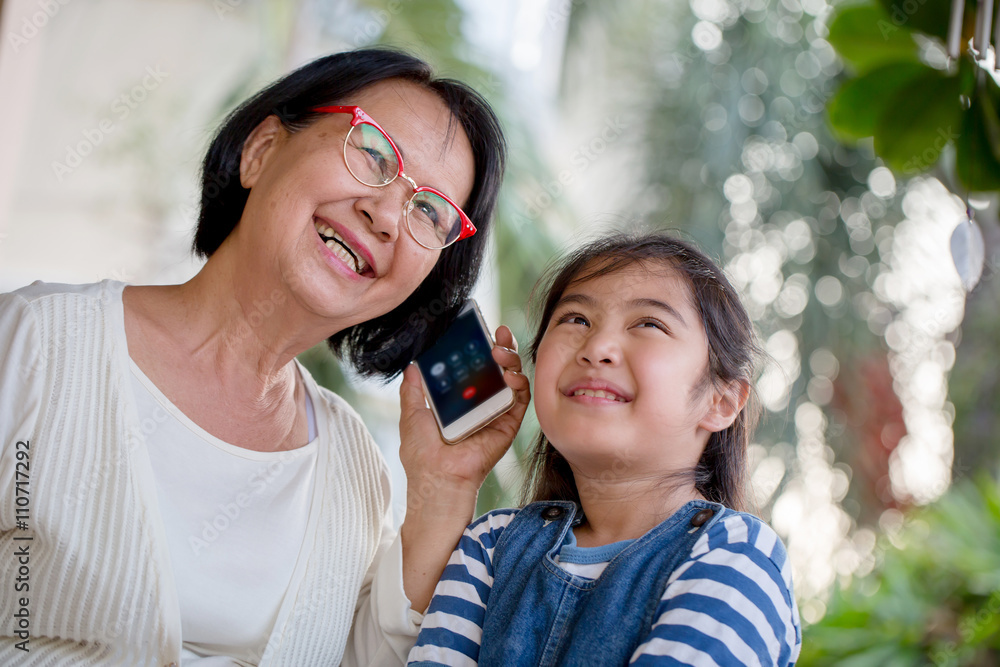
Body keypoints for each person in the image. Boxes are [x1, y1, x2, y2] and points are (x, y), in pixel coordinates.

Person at [0, 48, 531, 666]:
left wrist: (442, 489)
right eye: (375, 154)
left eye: (430, 212)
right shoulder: (33, 346)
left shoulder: (355, 468)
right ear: (262, 150)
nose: (387, 215)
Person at [407, 232, 801, 666]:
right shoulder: (490, 545)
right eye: (576, 319)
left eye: (649, 324)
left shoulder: (737, 558)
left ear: (720, 401)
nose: (596, 349)